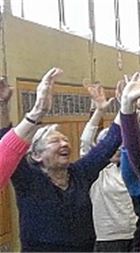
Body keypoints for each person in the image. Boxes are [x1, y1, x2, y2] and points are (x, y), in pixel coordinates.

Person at [4, 68, 125, 251]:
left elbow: (110, 143)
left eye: (66, 140)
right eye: (55, 141)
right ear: (36, 155)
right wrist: (2, 104)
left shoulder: (80, 173)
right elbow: (5, 144)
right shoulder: (28, 178)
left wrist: (126, 104)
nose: (64, 144)